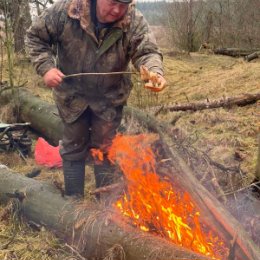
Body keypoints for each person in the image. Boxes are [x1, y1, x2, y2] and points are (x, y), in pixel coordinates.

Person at [26, 0, 166, 198]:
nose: (117, 10)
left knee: (106, 147)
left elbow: (147, 51)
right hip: (72, 96)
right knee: (73, 144)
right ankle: (74, 201)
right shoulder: (68, 11)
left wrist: (154, 71)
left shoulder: (132, 19)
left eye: (123, 5)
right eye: (112, 3)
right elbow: (34, 37)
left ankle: (105, 204)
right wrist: (45, 68)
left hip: (109, 98)